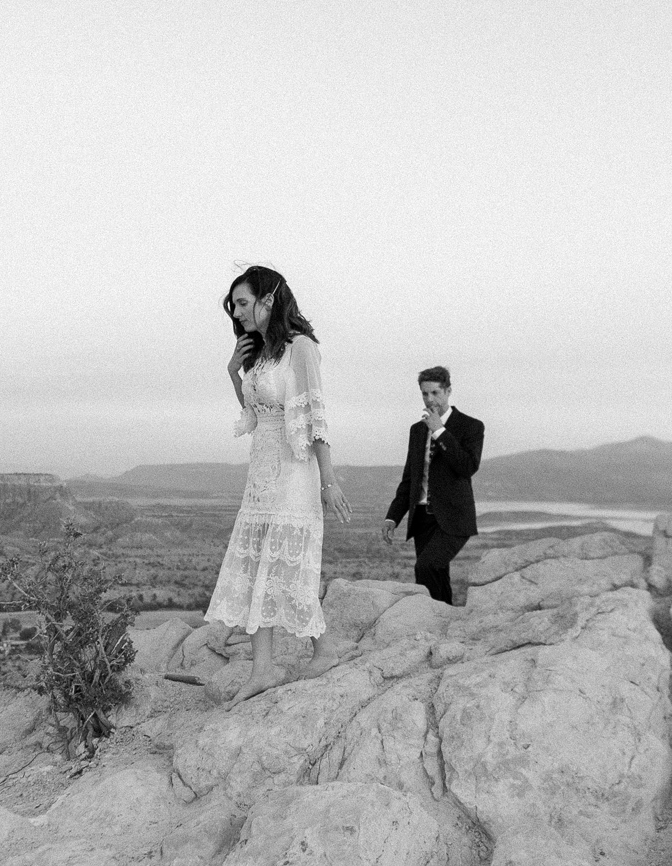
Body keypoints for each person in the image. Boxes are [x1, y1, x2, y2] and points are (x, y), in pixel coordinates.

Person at [205, 266, 352, 707]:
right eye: (234, 306)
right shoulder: (260, 355)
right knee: (256, 569)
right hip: (261, 475)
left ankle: (321, 651)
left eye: (244, 302)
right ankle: (265, 668)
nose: (238, 312)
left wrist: (329, 480)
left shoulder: (300, 349)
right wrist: (234, 372)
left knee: (282, 566)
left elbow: (316, 418)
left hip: (295, 470)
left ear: (269, 299)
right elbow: (254, 417)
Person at [380, 367, 484, 605]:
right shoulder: (417, 430)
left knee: (426, 566)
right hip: (423, 518)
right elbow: (410, 479)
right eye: (425, 394)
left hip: (454, 517)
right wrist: (392, 517)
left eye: (435, 393)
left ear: (448, 391)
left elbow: (467, 467)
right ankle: (444, 621)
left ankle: (440, 619)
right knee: (433, 578)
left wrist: (439, 430)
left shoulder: (471, 426)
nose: (430, 400)